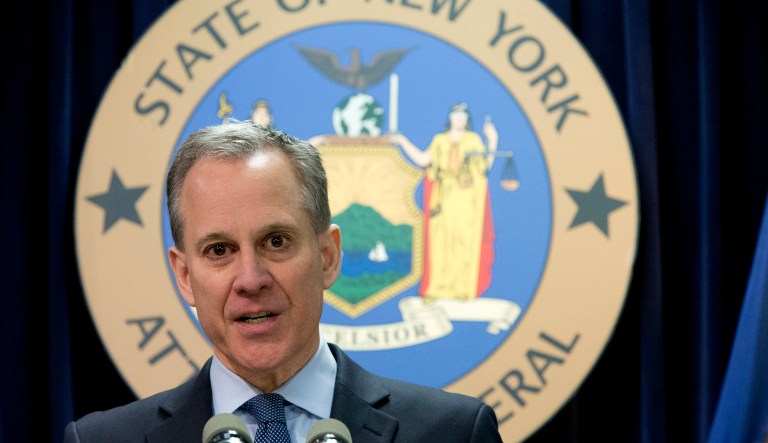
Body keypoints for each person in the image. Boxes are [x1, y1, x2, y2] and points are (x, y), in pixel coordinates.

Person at [63, 120, 503, 442]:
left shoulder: (454, 433)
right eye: (219, 250)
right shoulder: (103, 440)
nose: (250, 279)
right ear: (184, 276)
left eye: (276, 241)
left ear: (328, 257)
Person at [390, 103, 498, 302]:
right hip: (443, 198)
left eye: (463, 117)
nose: (459, 120)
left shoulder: (473, 140)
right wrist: (403, 141)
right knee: (441, 242)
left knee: (463, 241)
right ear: (450, 118)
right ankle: (439, 287)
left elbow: (484, 167)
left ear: (467, 119)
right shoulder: (440, 141)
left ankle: (462, 288)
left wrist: (492, 141)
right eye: (456, 116)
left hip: (465, 199)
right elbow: (423, 160)